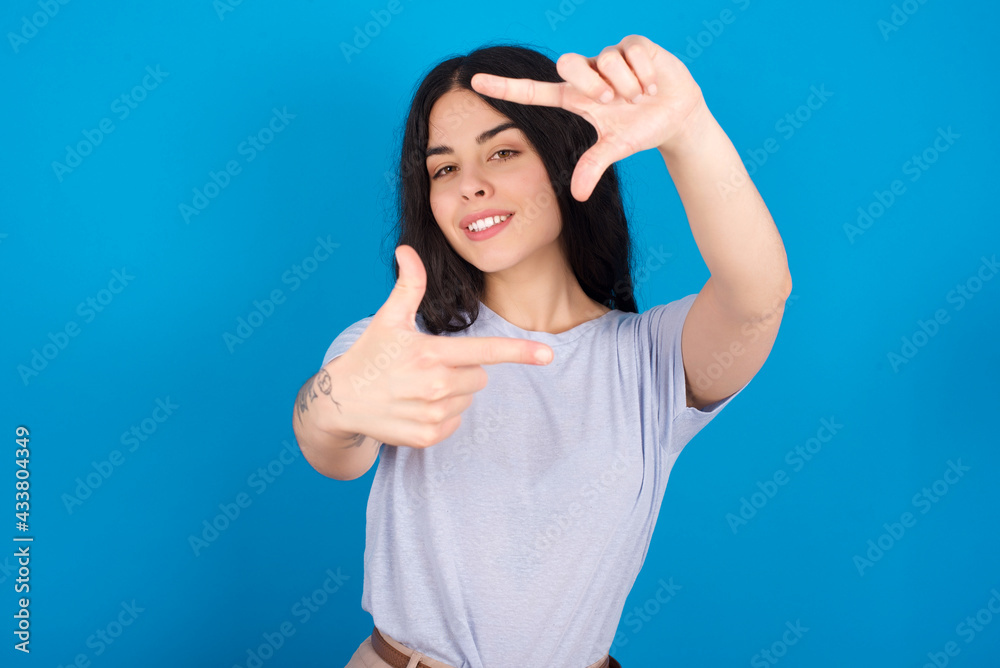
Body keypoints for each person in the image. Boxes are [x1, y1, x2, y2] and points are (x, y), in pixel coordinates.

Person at [292, 34, 791, 668]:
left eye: (502, 152)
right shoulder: (400, 343)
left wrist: (688, 129)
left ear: (564, 159)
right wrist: (335, 407)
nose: (469, 185)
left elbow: (757, 296)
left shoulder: (652, 361)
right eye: (443, 167)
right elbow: (331, 448)